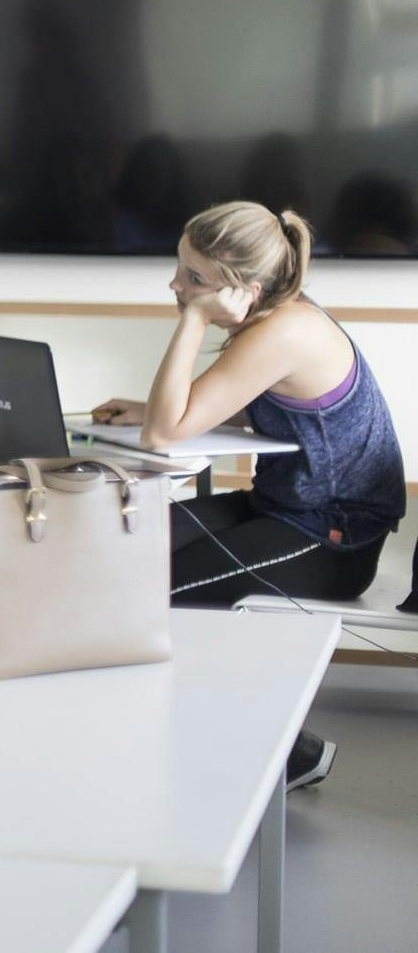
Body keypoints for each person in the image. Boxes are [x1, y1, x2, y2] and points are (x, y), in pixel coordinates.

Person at [91, 201, 406, 790]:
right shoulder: (273, 318)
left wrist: (192, 321)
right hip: (283, 508)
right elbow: (218, 404)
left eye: (194, 279)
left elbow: (164, 433)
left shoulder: (285, 330)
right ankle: (266, 748)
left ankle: (277, 755)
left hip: (333, 537)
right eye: (180, 269)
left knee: (165, 596)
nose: (175, 284)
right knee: (132, 555)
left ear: (244, 289)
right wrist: (148, 407)